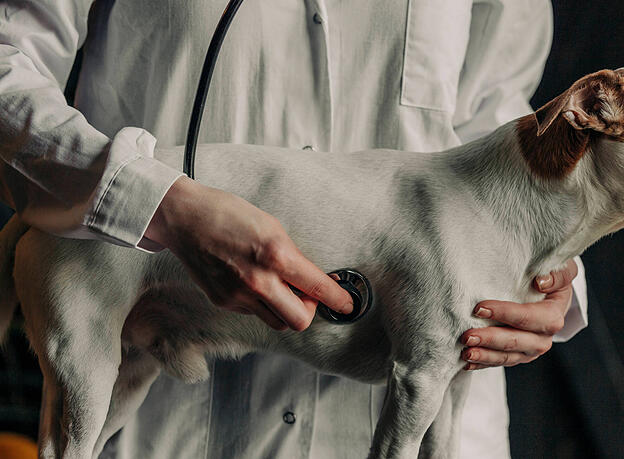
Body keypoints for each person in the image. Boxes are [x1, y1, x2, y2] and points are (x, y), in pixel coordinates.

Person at [0, 1, 588, 457]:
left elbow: (498, 118)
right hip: (158, 397)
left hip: (428, 404)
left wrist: (547, 279)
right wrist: (155, 207)